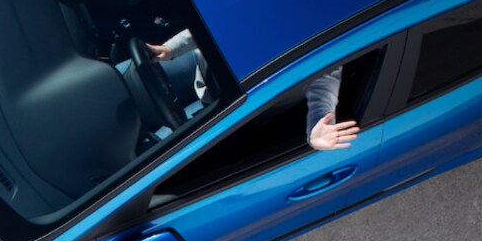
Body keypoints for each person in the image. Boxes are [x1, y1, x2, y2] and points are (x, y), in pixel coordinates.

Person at [148, 31, 359, 150]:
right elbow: (216, 25)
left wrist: (316, 132)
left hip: (238, 109)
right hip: (201, 69)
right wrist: (170, 49)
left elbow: (324, 97)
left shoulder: (326, 54)